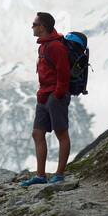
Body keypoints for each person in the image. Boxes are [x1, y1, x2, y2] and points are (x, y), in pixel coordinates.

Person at [20, 11, 71, 186]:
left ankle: (59, 175)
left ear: (42, 27)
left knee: (61, 133)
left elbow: (63, 73)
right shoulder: (43, 46)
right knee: (37, 133)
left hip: (54, 96)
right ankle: (41, 176)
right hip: (44, 95)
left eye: (34, 24)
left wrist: (57, 95)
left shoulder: (55, 47)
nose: (32, 27)